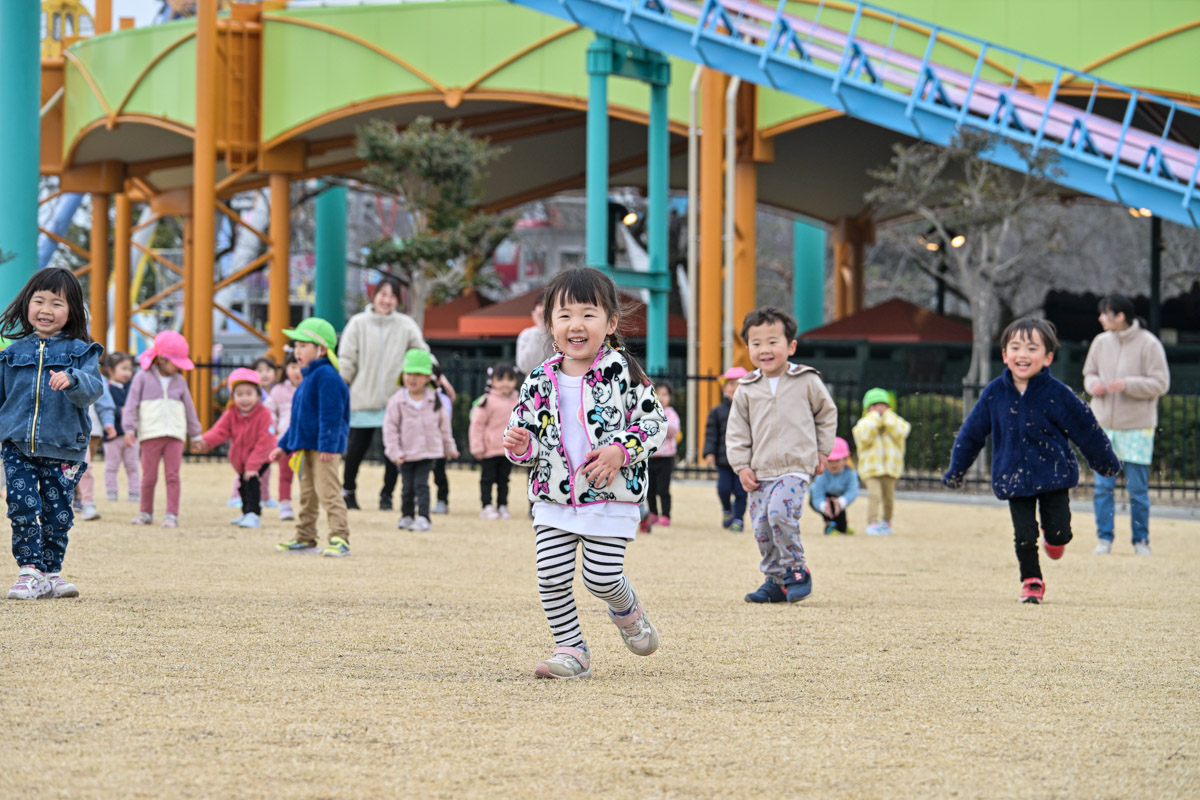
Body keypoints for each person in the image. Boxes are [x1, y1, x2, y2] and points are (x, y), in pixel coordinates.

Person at [503, 267, 667, 680]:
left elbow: (654, 424)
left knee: (601, 577)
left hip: (611, 497)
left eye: (588, 314)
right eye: (565, 315)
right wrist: (521, 448)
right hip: (553, 498)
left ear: (611, 323)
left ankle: (627, 611)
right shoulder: (538, 380)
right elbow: (528, 439)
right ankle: (571, 650)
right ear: (550, 324)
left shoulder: (625, 372)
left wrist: (620, 451)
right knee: (550, 577)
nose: (576, 324)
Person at [943, 318, 1122, 603]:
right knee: (1024, 534)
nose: (1022, 354)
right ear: (1005, 354)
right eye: (1015, 347)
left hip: (1053, 475)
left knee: (1060, 532)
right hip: (1013, 475)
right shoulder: (994, 394)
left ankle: (1054, 538)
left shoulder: (1058, 394)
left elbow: (1084, 428)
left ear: (1048, 357)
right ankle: (1031, 580)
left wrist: (1106, 462)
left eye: (1032, 348)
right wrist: (956, 470)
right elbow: (971, 433)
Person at [0, 268, 105, 599]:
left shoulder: (82, 352)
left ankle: (50, 572)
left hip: (64, 447)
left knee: (58, 514)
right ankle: (29, 570)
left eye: (56, 303)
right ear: (26, 304)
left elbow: (93, 389)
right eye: (39, 301)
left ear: (71, 310)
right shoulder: (10, 354)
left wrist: (73, 379)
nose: (46, 310)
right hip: (18, 446)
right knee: (22, 506)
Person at [727, 306, 837, 605]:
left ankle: (797, 569)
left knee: (779, 513)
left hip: (795, 466)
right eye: (756, 343)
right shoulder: (746, 388)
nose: (764, 349)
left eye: (773, 342)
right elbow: (737, 431)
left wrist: (822, 451)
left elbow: (826, 415)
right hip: (760, 470)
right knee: (762, 526)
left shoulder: (807, 380)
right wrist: (741, 466)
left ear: (791, 346)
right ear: (748, 348)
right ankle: (775, 581)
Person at [1083, 294, 1171, 557]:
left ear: (1120, 316)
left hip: (1137, 427)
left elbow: (1161, 383)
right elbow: (1089, 373)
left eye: (1105, 313)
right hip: (1102, 426)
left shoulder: (1149, 344)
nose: (1100, 318)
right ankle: (1104, 539)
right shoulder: (1100, 342)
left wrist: (1128, 384)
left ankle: (1141, 540)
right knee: (1102, 488)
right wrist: (1093, 385)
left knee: (1137, 490)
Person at [338, 275, 428, 511]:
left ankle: (387, 495)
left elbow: (422, 353)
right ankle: (348, 491)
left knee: (393, 452)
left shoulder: (406, 325)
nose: (387, 300)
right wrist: (341, 385)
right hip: (362, 398)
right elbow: (347, 359)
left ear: (398, 300)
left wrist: (436, 375)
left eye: (392, 296)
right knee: (356, 448)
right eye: (383, 294)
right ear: (374, 295)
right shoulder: (357, 323)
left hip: (394, 400)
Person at [270, 318, 351, 557]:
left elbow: (331, 414)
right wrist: (284, 446)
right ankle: (305, 537)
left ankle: (340, 538)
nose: (297, 351)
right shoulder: (308, 378)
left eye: (303, 345)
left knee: (329, 493)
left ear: (322, 349)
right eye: (296, 346)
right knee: (307, 495)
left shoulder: (326, 375)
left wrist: (328, 445)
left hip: (324, 449)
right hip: (306, 448)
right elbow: (298, 421)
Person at [123, 330, 201, 528]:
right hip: (150, 434)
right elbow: (131, 404)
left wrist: (196, 434)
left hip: (175, 435)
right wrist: (129, 429)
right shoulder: (142, 377)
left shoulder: (180, 381)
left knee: (173, 476)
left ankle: (171, 514)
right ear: (162, 359)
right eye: (176, 362)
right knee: (149, 477)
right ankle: (145, 512)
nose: (178, 367)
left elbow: (190, 409)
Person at [192, 368, 278, 529]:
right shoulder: (232, 413)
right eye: (239, 394)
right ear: (233, 397)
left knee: (252, 483)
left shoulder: (263, 414)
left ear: (258, 395)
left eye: (249, 393)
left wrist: (253, 465)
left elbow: (266, 442)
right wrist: (204, 442)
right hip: (241, 459)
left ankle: (253, 513)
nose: (244, 399)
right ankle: (245, 512)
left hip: (260, 457)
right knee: (242, 485)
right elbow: (220, 431)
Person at [383, 349, 458, 531]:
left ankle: (424, 517)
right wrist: (394, 452)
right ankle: (407, 515)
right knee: (407, 487)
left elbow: (444, 427)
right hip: (405, 453)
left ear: (427, 378)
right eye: (409, 373)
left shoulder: (435, 400)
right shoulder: (397, 401)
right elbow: (390, 429)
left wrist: (449, 448)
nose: (412, 378)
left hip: (427, 452)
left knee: (422, 485)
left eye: (418, 374)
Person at [852, 387, 911, 535]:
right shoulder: (864, 423)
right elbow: (863, 438)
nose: (879, 409)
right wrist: (874, 419)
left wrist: (888, 419)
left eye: (883, 405)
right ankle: (872, 522)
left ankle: (886, 521)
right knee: (875, 495)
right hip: (871, 468)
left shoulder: (894, 421)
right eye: (874, 405)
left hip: (890, 468)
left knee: (888, 497)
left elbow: (902, 432)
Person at [469, 362, 520, 520]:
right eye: (500, 379)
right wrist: (477, 447)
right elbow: (477, 425)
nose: (505, 383)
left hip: (509, 450)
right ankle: (487, 506)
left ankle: (502, 505)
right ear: (492, 381)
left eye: (510, 379)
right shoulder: (487, 401)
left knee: (504, 480)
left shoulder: (519, 400)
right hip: (489, 450)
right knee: (487, 479)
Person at [704, 366, 748, 532]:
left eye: (739, 384)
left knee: (742, 492)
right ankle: (727, 510)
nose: (735, 388)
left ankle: (738, 519)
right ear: (724, 388)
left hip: (745, 460)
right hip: (724, 459)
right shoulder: (717, 411)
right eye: (731, 384)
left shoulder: (751, 410)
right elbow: (711, 433)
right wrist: (709, 452)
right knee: (723, 489)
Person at [264, 352, 301, 521]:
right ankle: (285, 504)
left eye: (300, 366)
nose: (297, 371)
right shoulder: (279, 391)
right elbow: (269, 410)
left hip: (305, 441)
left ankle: (308, 503)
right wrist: (274, 426)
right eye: (293, 367)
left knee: (306, 475)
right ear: (286, 369)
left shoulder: (311, 387)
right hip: (285, 441)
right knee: (285, 474)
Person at [642, 381, 680, 532]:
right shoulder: (647, 412)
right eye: (657, 394)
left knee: (663, 489)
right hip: (650, 457)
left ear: (670, 397)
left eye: (665, 394)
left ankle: (665, 515)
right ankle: (653, 513)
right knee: (649, 489)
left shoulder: (670, 413)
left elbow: (673, 429)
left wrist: (659, 422)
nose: (661, 397)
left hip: (665, 458)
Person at [77, 377, 117, 521]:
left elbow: (104, 403)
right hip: (62, 430)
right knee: (72, 468)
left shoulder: (94, 375)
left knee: (83, 468)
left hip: (91, 430)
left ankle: (84, 500)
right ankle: (81, 500)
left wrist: (108, 422)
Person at [101, 352, 139, 504]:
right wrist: (119, 411)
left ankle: (135, 491)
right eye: (123, 368)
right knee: (111, 465)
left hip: (131, 434)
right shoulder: (106, 387)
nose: (128, 372)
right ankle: (111, 491)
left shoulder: (133, 387)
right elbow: (104, 407)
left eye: (130, 369)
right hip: (112, 435)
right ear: (110, 370)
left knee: (133, 465)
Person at [808, 436, 859, 535]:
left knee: (842, 525)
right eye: (830, 461)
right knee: (830, 505)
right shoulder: (822, 474)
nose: (834, 464)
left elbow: (852, 491)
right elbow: (817, 496)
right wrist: (823, 506)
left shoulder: (850, 473)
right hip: (820, 499)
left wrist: (841, 502)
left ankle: (842, 527)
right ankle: (829, 525)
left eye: (837, 460)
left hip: (839, 498)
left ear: (845, 459)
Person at [428, 355, 456, 515]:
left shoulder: (443, 399)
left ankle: (442, 501)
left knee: (439, 474)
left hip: (437, 444)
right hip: (418, 444)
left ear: (439, 381)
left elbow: (445, 424)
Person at [515, 290, 555, 376]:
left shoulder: (559, 333)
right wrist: (540, 331)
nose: (544, 309)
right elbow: (525, 366)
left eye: (547, 306)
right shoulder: (527, 334)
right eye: (540, 305)